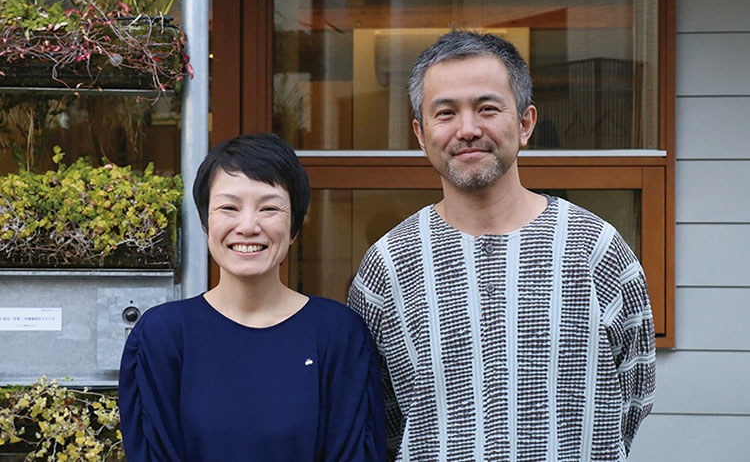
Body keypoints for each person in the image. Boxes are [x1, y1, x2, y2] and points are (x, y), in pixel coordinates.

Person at [348, 31, 655, 461]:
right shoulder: (389, 266)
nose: (468, 130)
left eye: (487, 109)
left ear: (525, 123)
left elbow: (634, 395)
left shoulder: (595, 250)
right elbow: (383, 419)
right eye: (445, 113)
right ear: (420, 133)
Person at [119, 133, 386, 461]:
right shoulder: (164, 335)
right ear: (205, 222)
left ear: (295, 226)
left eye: (269, 208)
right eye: (229, 208)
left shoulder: (338, 335)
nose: (247, 226)